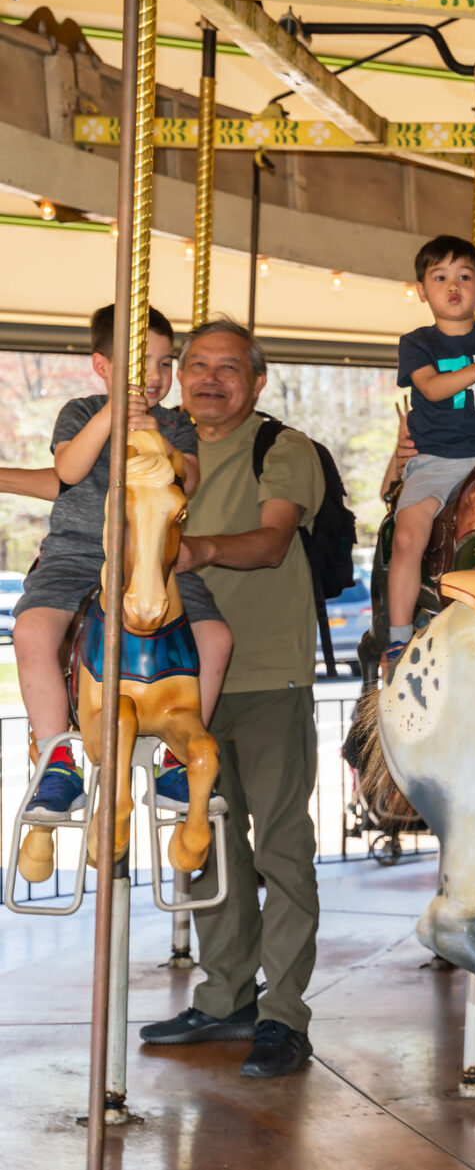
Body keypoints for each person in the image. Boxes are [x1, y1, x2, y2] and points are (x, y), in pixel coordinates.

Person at [139, 318, 326, 1079]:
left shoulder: (282, 449)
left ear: (256, 382)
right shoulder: (160, 454)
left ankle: (283, 1013)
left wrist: (204, 549)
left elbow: (274, 539)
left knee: (279, 847)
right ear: (180, 377)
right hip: (185, 683)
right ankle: (224, 997)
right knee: (209, 844)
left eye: (228, 368)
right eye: (196, 366)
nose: (209, 378)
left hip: (269, 673)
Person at [15, 304, 233, 822]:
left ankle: (176, 761)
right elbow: (67, 469)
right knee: (31, 632)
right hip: (79, 553)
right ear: (103, 367)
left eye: (163, 365)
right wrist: (111, 415)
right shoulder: (79, 410)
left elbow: (190, 479)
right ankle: (57, 758)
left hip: (151, 558)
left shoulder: (176, 424)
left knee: (217, 638)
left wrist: (152, 436)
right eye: (140, 367)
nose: (154, 379)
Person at [383, 235, 475, 675]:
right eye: (440, 277)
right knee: (409, 533)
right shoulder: (419, 343)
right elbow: (432, 388)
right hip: (436, 460)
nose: (453, 286)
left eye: (465, 276)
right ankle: (397, 638)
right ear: (422, 290)